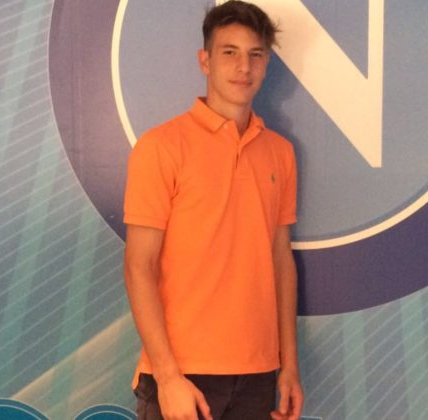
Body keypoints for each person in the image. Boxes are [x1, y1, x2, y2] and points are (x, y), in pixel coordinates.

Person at [122, 2, 303, 419]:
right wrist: (168, 376)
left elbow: (281, 262)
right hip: (182, 373)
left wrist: (289, 365)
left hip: (258, 374)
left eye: (255, 54)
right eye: (229, 52)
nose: (244, 67)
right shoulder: (161, 147)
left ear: (267, 63)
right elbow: (138, 266)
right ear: (205, 60)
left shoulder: (281, 153)